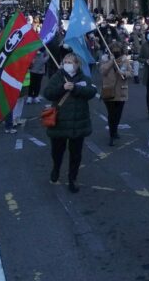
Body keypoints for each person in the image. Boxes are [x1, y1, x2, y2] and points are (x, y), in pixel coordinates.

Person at [43, 52, 97, 193]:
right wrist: (62, 88)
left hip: (78, 123)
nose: (67, 64)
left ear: (77, 64)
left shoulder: (84, 78)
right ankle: (56, 169)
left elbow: (91, 91)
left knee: (76, 154)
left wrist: (76, 88)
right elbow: (47, 93)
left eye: (70, 62)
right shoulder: (58, 76)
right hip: (59, 122)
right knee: (57, 151)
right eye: (65, 62)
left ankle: (73, 178)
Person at [100, 41, 133, 146]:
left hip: (121, 91)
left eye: (118, 51)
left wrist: (124, 73)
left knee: (118, 114)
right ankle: (112, 134)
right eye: (114, 51)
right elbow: (103, 71)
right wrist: (111, 61)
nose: (116, 53)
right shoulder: (105, 60)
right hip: (108, 91)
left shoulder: (125, 61)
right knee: (111, 114)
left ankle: (115, 131)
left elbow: (131, 73)